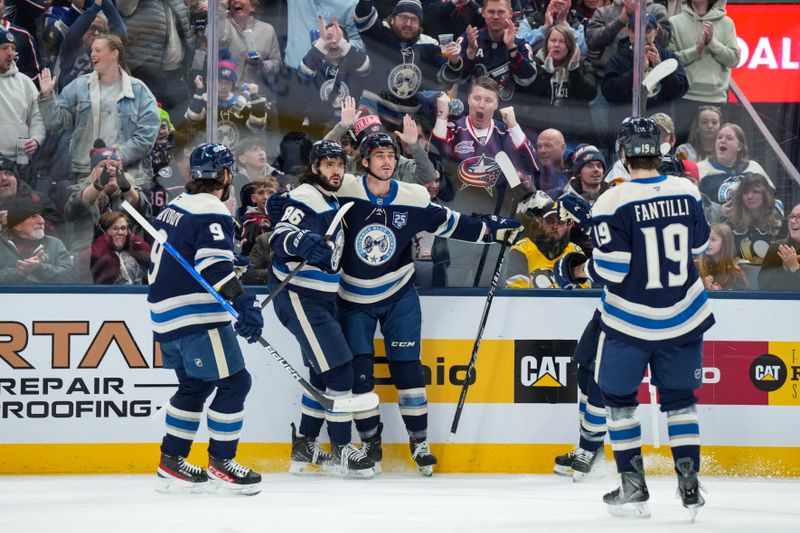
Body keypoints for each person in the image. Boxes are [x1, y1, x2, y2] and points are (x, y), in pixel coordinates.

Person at [334, 131, 521, 475]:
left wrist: (492, 230)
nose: (387, 161)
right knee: (360, 377)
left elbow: (451, 224)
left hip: (399, 294)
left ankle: (419, 443)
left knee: (408, 369)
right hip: (352, 297)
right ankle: (370, 444)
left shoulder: (414, 195)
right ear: (364, 162)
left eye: (391, 154)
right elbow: (308, 191)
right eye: (378, 155)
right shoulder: (343, 190)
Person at [555, 117, 714, 519]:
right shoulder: (686, 189)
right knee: (681, 403)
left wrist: (578, 270)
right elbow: (701, 243)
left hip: (629, 321)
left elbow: (611, 271)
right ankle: (689, 483)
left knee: (620, 402)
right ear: (659, 150)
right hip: (684, 315)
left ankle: (633, 485)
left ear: (623, 154)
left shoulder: (612, 200)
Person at [151, 142, 263, 495]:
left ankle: (171, 460)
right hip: (195, 315)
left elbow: (189, 254)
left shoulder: (175, 206)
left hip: (165, 316)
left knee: (195, 386)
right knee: (235, 383)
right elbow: (212, 267)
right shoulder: (212, 210)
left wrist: (235, 265)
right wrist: (244, 305)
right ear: (226, 175)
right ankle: (222, 463)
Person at [270, 140, 376, 478]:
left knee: (321, 374)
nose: (336, 171)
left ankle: (305, 447)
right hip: (299, 295)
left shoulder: (328, 198)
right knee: (340, 372)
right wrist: (299, 243)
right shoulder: (306, 196)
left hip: (321, 298)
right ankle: (342, 450)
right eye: (328, 164)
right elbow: (280, 237)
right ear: (314, 167)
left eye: (339, 165)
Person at [431, 77, 538, 286]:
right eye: (477, 98)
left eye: (488, 100)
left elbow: (532, 166)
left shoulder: (503, 134)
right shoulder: (453, 130)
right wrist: (442, 115)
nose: (481, 104)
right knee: (448, 292)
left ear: (496, 104)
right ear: (468, 99)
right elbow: (434, 160)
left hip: (495, 231)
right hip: (456, 229)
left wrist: (514, 125)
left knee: (491, 294)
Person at [37, 34, 160, 180]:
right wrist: (46, 97)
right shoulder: (78, 86)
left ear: (114, 54)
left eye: (98, 50)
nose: (92, 54)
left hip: (129, 173)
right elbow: (54, 123)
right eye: (91, 51)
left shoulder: (138, 90)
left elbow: (148, 133)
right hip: (86, 172)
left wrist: (117, 156)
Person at [353, 0, 463, 127]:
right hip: (372, 110)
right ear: (393, 19)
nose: (408, 24)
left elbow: (448, 78)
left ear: (420, 24)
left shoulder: (429, 45)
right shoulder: (379, 34)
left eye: (414, 19)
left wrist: (454, 61)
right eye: (403, 18)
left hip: (409, 118)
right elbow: (362, 16)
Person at [669, 0, 740, 141]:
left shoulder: (727, 23)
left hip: (716, 99)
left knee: (715, 155)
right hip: (685, 98)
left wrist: (712, 43)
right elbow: (670, 62)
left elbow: (734, 60)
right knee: (682, 154)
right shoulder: (674, 22)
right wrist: (697, 50)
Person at [64, 141, 151, 253]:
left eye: (114, 166)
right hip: (90, 255)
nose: (110, 170)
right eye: (102, 166)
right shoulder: (79, 190)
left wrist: (124, 185)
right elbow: (73, 209)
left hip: (127, 253)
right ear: (93, 172)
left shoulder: (131, 190)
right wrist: (99, 184)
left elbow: (144, 211)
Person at [525, 24, 598, 144]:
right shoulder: (536, 64)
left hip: (575, 134)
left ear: (569, 46)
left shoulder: (582, 64)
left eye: (562, 41)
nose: (557, 45)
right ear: (546, 43)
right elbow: (530, 97)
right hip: (541, 133)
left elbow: (590, 94)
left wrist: (575, 71)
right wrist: (546, 73)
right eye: (553, 40)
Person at [457, 0, 537, 104]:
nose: (495, 17)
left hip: (508, 114)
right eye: (491, 12)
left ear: (510, 13)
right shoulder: (469, 39)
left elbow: (528, 80)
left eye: (500, 12)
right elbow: (453, 78)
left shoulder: (520, 43)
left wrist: (512, 48)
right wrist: (470, 53)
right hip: (471, 112)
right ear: (483, 12)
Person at [185, 56, 268, 153]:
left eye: (227, 82)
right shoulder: (204, 99)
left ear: (232, 84)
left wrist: (254, 98)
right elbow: (192, 118)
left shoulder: (242, 102)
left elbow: (256, 127)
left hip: (237, 155)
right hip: (209, 154)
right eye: (220, 82)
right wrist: (199, 89)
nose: (223, 86)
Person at [697, 123, 773, 223]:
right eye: (719, 137)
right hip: (716, 231)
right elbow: (692, 204)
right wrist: (719, 212)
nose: (722, 140)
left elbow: (773, 197)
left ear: (739, 146)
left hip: (752, 230)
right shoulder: (701, 168)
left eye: (729, 138)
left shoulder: (753, 167)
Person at [505, 200, 587, 288]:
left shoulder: (575, 252)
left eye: (560, 222)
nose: (555, 226)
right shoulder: (522, 249)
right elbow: (516, 290)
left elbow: (584, 289)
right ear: (540, 222)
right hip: (531, 302)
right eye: (550, 221)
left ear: (569, 225)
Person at [0, 198, 75, 284]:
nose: (42, 221)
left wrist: (39, 268)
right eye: (33, 216)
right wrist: (18, 273)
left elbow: (69, 277)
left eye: (41, 216)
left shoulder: (55, 244)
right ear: (17, 225)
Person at [0, 26, 44, 172]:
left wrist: (36, 139)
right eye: (4, 48)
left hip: (21, 160)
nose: (10, 53)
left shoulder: (25, 81)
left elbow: (38, 115)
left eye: (13, 48)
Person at [724, 173, 784, 264]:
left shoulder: (781, 225)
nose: (749, 196)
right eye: (745, 192)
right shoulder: (730, 225)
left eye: (756, 191)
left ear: (765, 195)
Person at [89, 210, 151, 284]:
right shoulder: (101, 251)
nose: (120, 232)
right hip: (110, 294)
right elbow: (95, 256)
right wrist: (105, 238)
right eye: (115, 228)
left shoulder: (132, 251)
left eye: (123, 228)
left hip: (138, 293)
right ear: (104, 231)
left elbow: (151, 256)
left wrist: (129, 237)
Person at [517, 0, 588, 57]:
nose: (560, 1)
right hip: (538, 70)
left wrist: (563, 24)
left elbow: (583, 52)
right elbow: (519, 49)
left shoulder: (577, 25)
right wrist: (545, 27)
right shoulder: (529, 22)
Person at [758, 202, 800, 292]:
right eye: (791, 217)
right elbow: (763, 284)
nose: (793, 221)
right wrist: (784, 269)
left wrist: (795, 268)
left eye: (799, 217)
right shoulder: (777, 247)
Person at [695, 222, 747, 290]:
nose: (707, 243)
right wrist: (703, 287)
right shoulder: (695, 266)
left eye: (713, 240)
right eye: (705, 239)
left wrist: (718, 290)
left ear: (725, 243)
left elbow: (742, 294)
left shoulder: (734, 271)